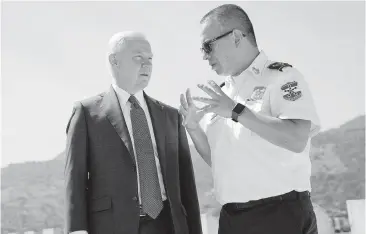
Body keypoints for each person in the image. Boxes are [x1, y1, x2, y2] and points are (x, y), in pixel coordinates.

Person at [179, 4, 320, 234]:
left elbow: (296, 138)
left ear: (235, 37)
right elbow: (220, 160)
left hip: (280, 215)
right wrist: (194, 128)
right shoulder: (224, 93)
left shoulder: (281, 78)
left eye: (208, 46)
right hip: (233, 219)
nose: (205, 56)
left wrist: (237, 111)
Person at [65, 31, 202, 234]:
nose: (147, 65)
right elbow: (74, 179)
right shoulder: (87, 113)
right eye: (138, 57)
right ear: (115, 61)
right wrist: (77, 230)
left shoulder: (171, 115)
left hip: (169, 225)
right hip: (112, 226)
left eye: (150, 59)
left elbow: (186, 185)